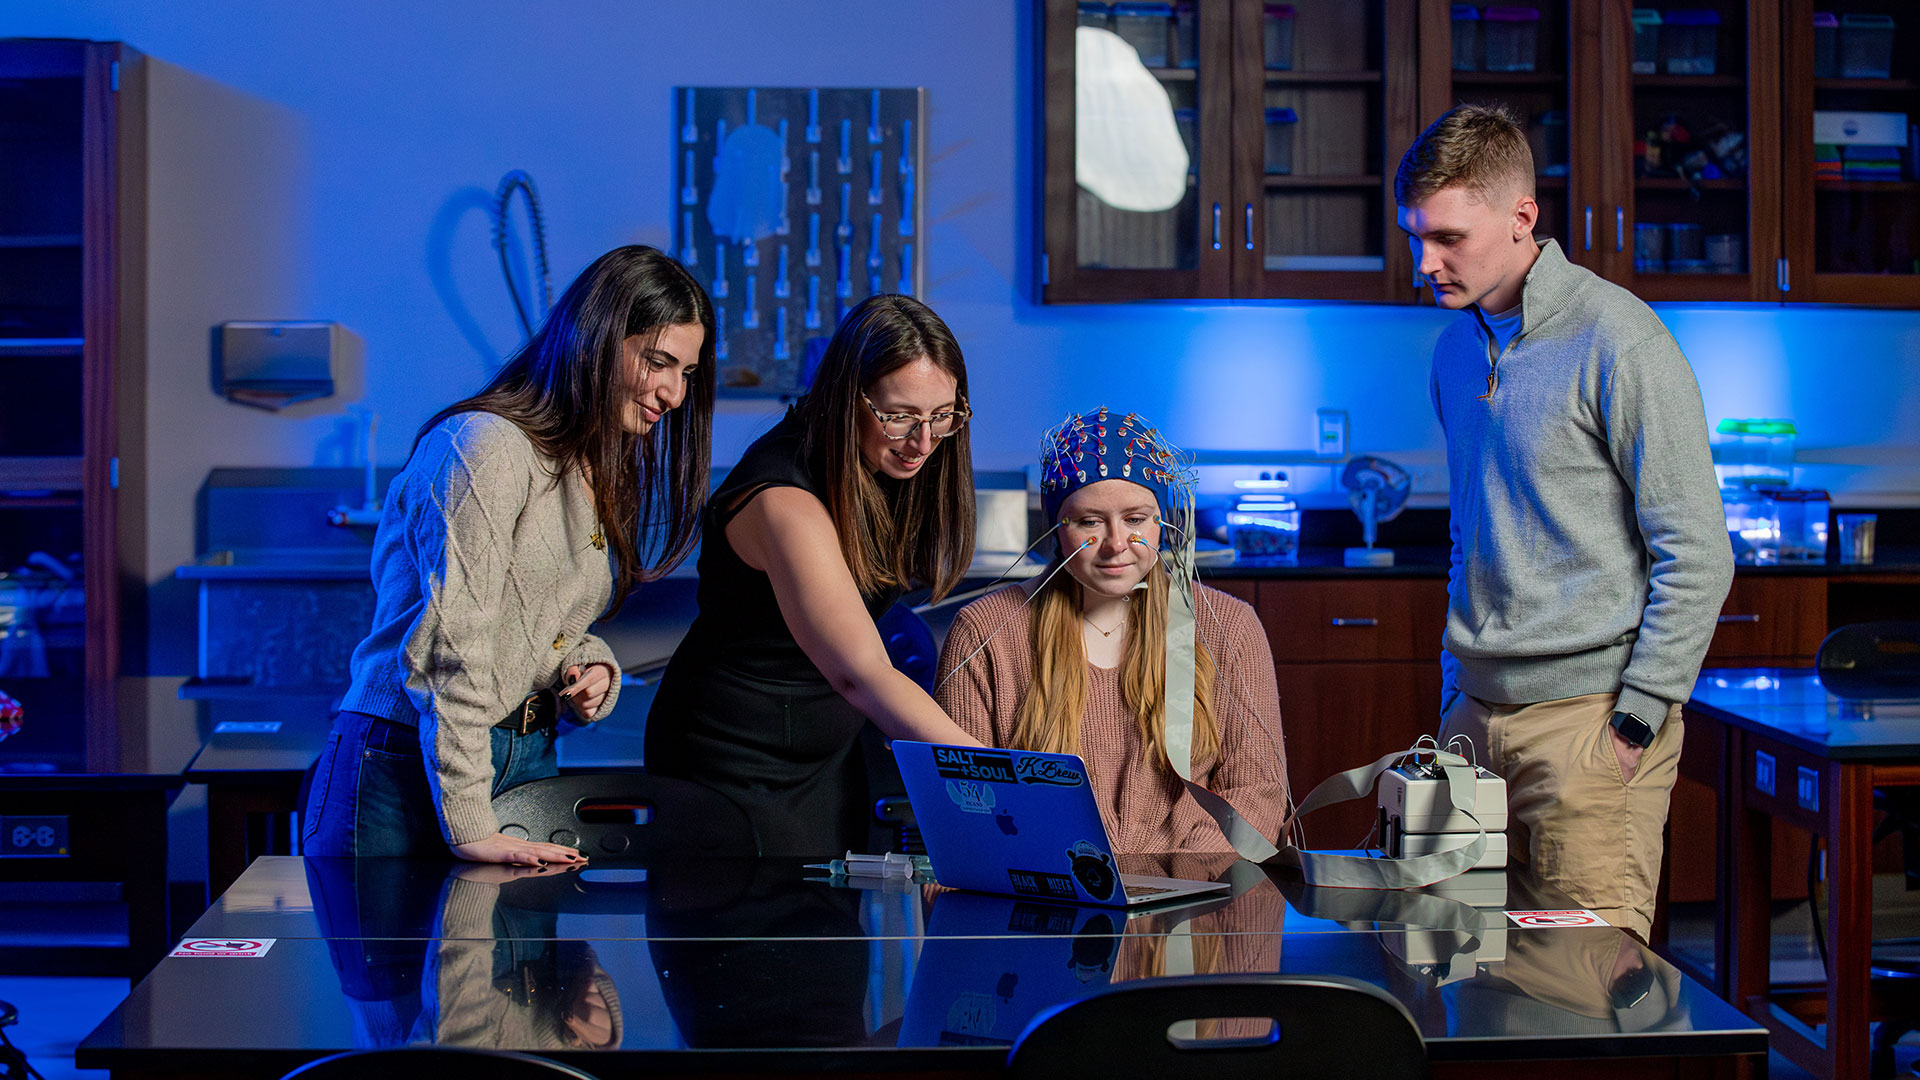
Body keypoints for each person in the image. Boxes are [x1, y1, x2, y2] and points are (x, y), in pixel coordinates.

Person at [1395, 104, 1734, 938]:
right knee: (1459, 979)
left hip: (1589, 726)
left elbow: (1698, 553)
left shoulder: (1620, 340)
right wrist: (1452, 696)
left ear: (1521, 218)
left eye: (1448, 239)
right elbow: (1471, 537)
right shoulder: (1452, 349)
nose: (1424, 264)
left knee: (1580, 1003)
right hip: (1471, 724)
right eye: (1416, 237)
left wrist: (1635, 722)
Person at [306, 245, 716, 864]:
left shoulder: (583, 464)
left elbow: (536, 623)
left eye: (686, 372)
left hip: (520, 756)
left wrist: (588, 668)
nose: (674, 394)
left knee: (515, 964)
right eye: (659, 362)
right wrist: (470, 825)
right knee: (405, 961)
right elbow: (454, 647)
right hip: (406, 760)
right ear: (597, 339)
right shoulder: (486, 447)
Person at [646, 294, 984, 857]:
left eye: (942, 416)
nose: (923, 442)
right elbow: (862, 676)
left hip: (827, 759)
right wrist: (999, 776)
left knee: (833, 939)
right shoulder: (784, 500)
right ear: (846, 398)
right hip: (728, 762)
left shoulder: (888, 462)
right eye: (899, 415)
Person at [935, 408, 1289, 854]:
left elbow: (1258, 792)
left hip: (1194, 902)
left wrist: (1175, 880)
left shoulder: (1228, 628)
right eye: (1089, 522)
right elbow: (969, 803)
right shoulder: (986, 633)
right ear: (1056, 529)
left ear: (1163, 523)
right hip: (1048, 899)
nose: (1117, 544)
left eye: (1136, 519)